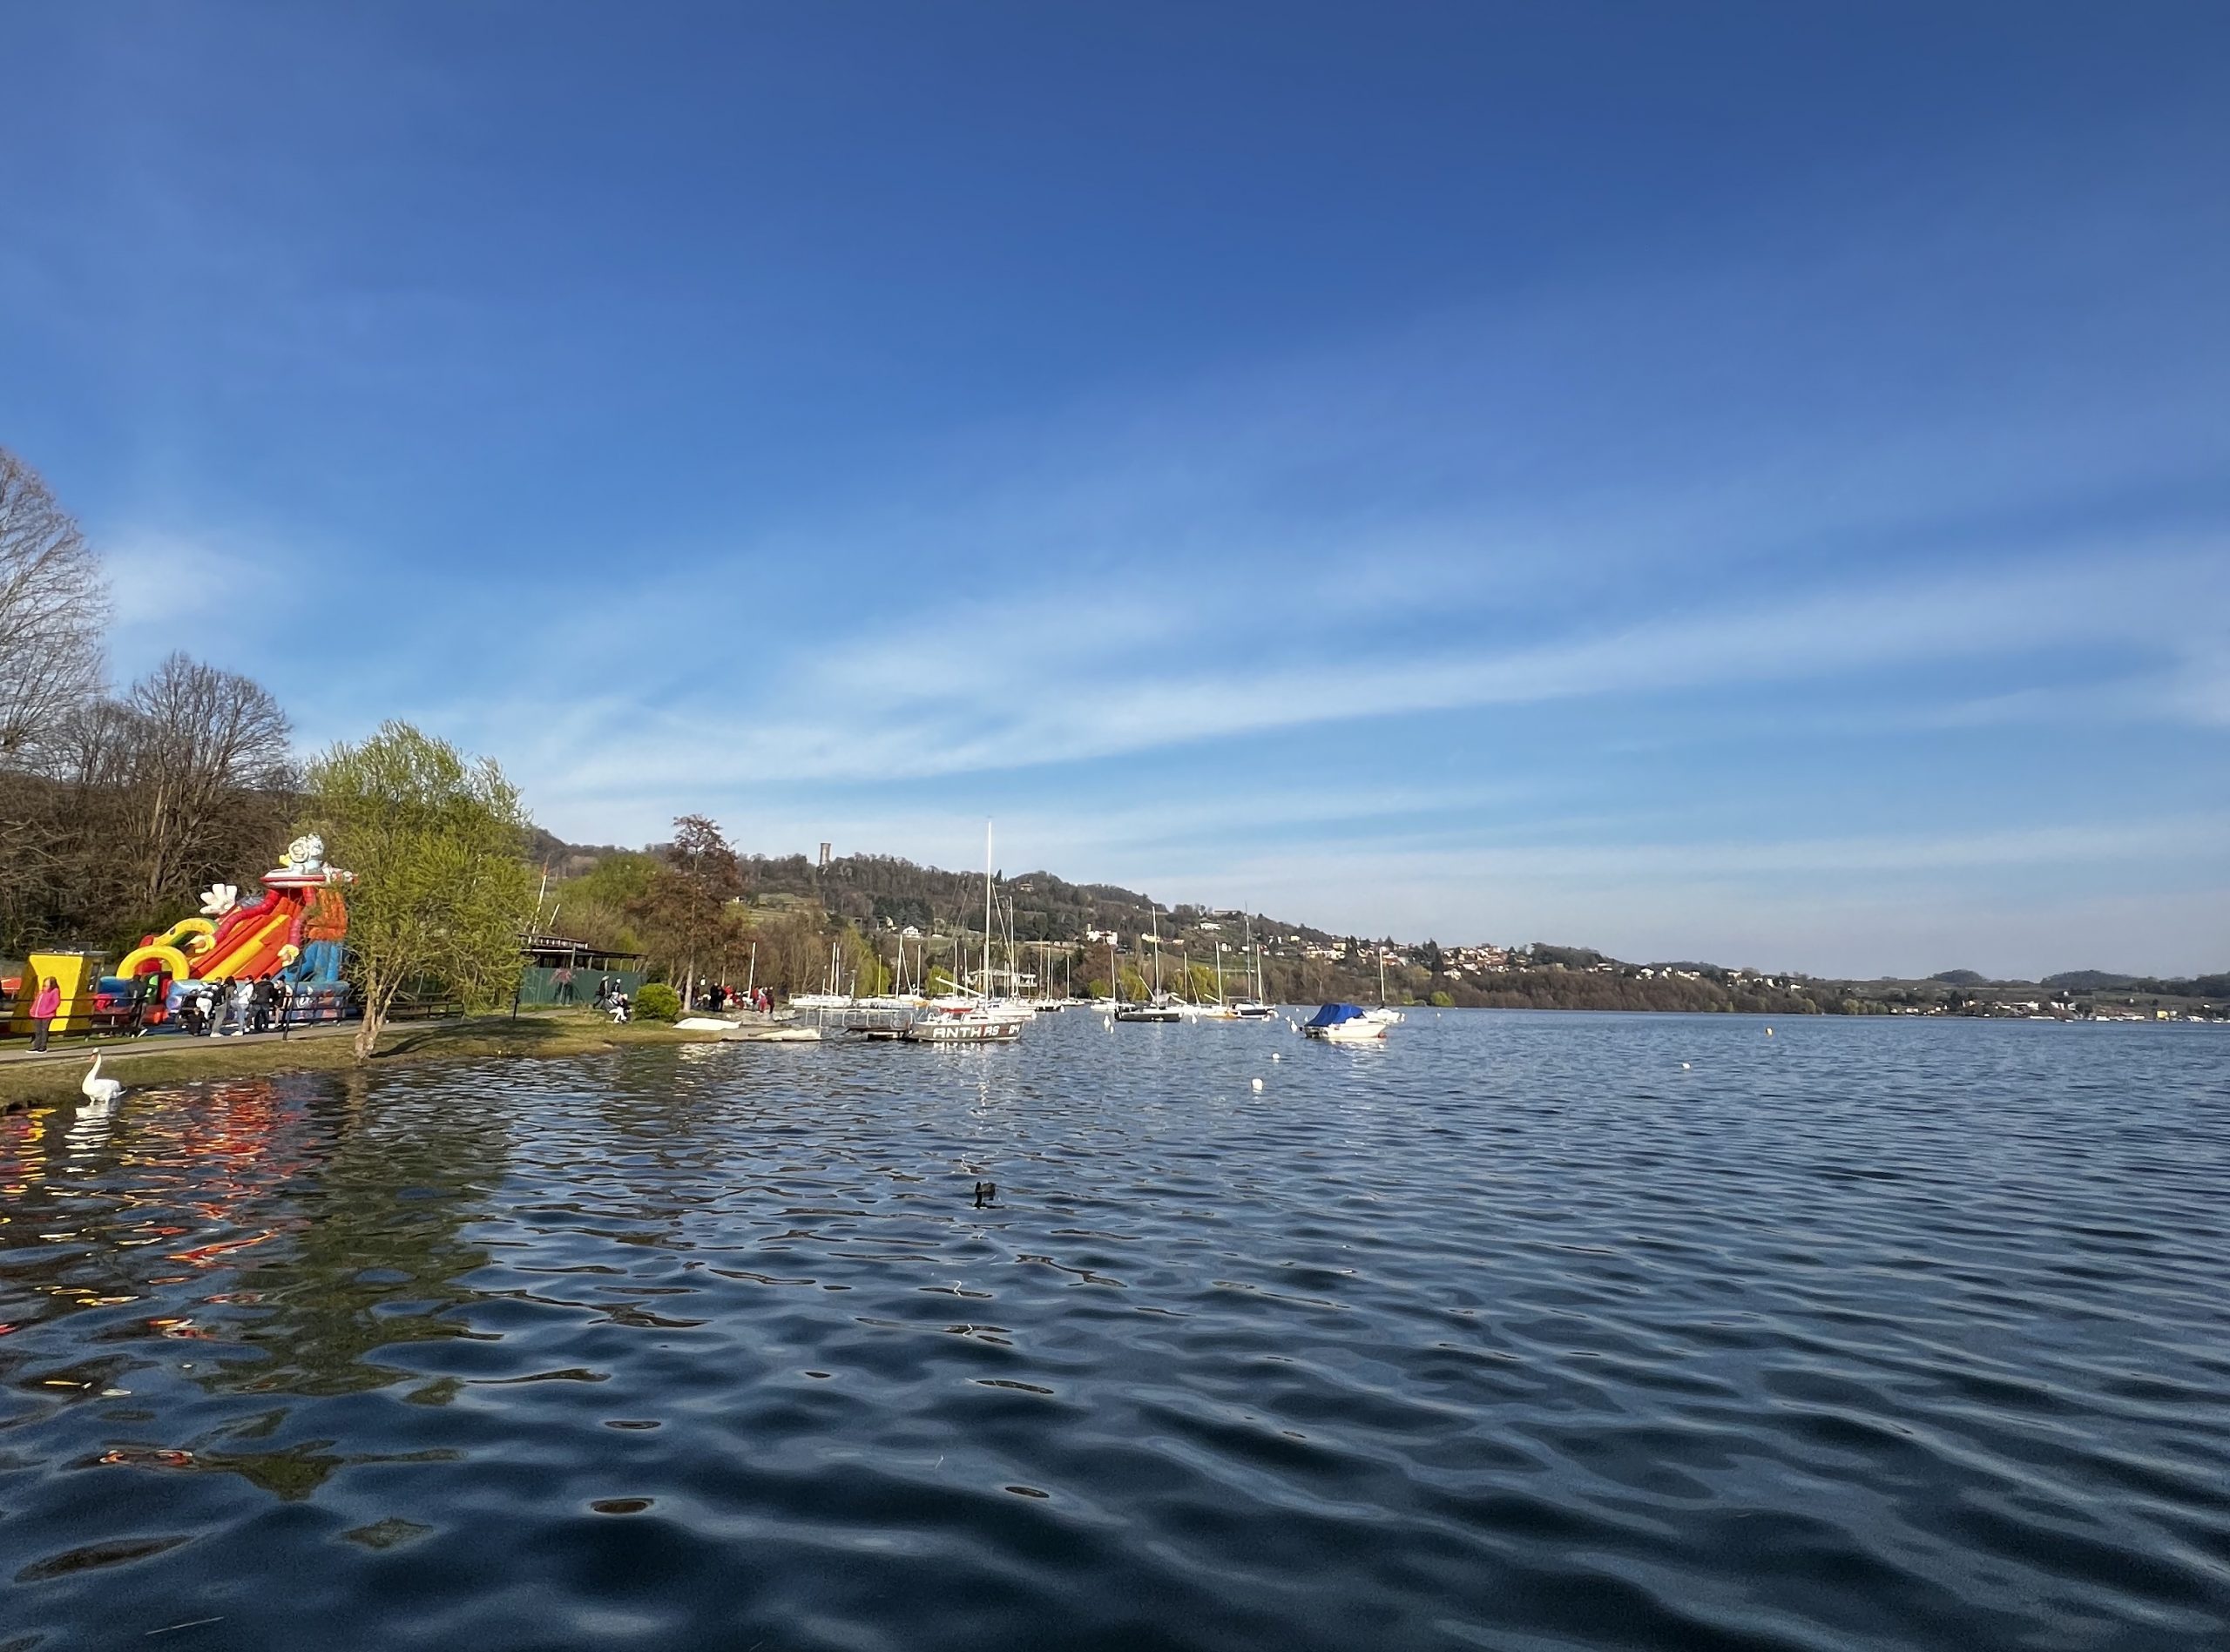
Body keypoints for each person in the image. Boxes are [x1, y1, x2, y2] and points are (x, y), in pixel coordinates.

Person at [28, 976, 60, 1051]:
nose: (45, 986)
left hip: (47, 1015)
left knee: (44, 1030)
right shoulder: (41, 992)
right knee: (37, 1031)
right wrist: (32, 1010)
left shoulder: (55, 991)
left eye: (47, 984)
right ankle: (36, 1046)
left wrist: (47, 1011)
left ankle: (43, 1047)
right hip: (37, 1014)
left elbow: (56, 1003)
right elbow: (36, 1002)